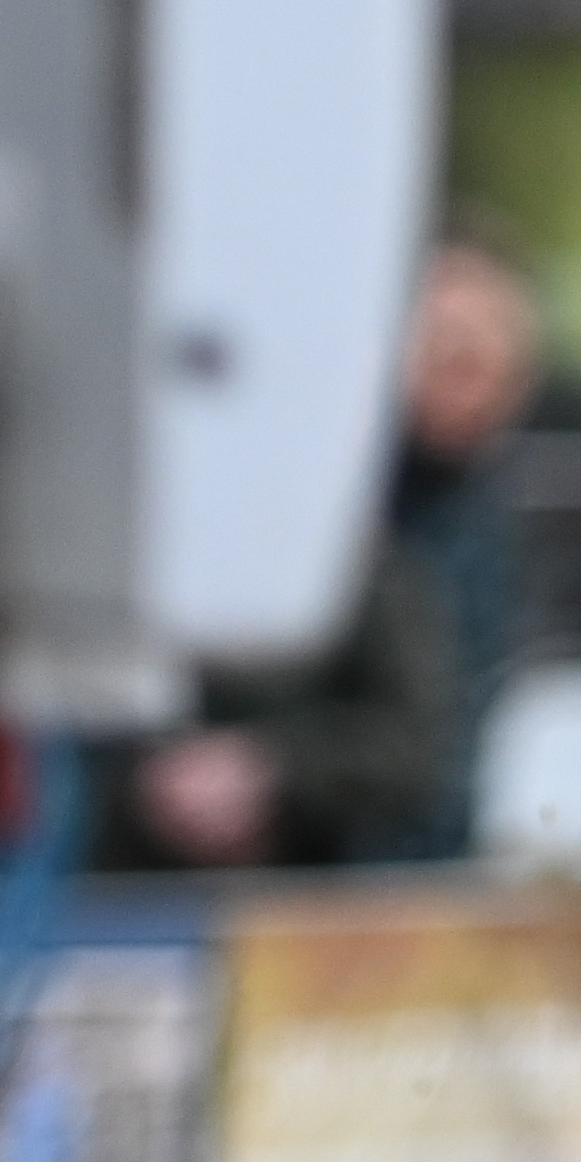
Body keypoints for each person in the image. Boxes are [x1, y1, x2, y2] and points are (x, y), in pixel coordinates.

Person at [107, 241, 541, 868]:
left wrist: (272, 771)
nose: (453, 367)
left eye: (475, 353)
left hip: (390, 865)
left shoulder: (455, 534)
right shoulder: (322, 505)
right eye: (437, 345)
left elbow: (426, 744)